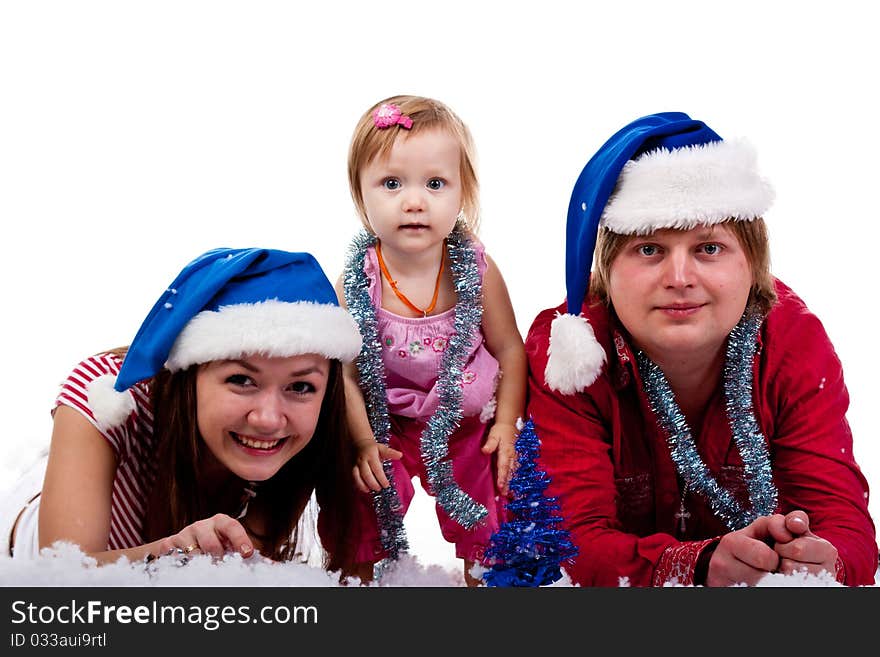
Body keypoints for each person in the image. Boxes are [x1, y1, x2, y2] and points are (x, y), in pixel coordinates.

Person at [525, 112, 878, 586]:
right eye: (649, 249)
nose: (679, 278)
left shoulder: (794, 342)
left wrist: (820, 560)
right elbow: (568, 541)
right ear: (606, 270)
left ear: (752, 267)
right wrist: (699, 565)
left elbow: (845, 523)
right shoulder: (571, 352)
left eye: (708, 248)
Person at [1, 247, 364, 575]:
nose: (269, 418)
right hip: (35, 547)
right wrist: (174, 554)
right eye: (241, 380)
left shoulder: (315, 428)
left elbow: (254, 551)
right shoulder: (105, 394)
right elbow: (60, 576)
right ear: (190, 374)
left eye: (300, 386)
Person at [337, 95, 526, 586]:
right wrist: (361, 441)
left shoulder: (477, 271)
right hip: (385, 423)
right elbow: (344, 375)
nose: (414, 200)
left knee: (490, 494)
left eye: (435, 183)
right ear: (361, 196)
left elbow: (509, 350)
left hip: (464, 419)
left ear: (463, 194)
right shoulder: (357, 281)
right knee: (361, 493)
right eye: (392, 183)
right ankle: (351, 579)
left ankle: (485, 580)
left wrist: (505, 422)